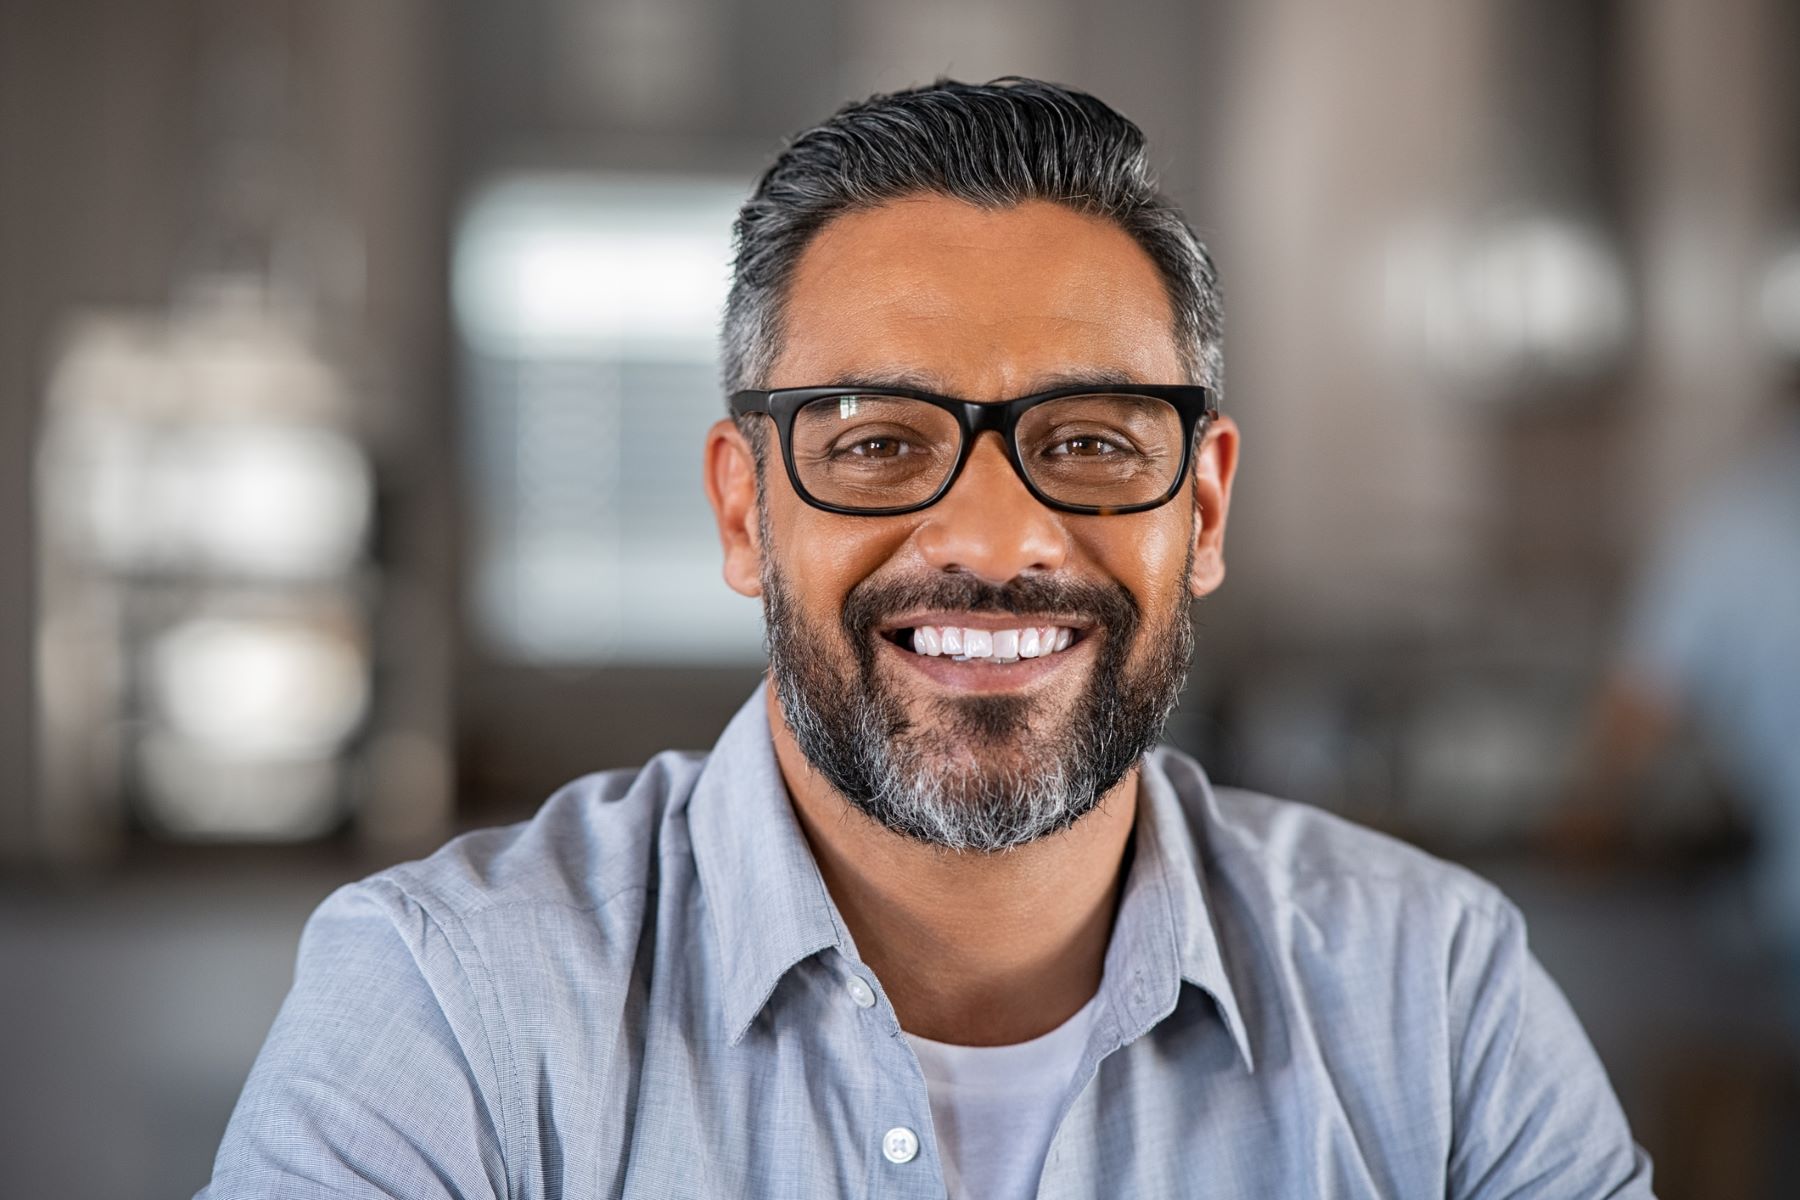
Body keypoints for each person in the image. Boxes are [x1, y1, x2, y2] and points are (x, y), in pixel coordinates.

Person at [200, 78, 1653, 1198]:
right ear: (743, 507)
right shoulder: (448, 1006)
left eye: (1087, 440)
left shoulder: (1439, 1001)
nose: (993, 541)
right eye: (882, 443)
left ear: (1201, 510)